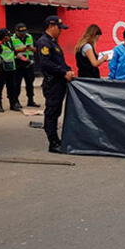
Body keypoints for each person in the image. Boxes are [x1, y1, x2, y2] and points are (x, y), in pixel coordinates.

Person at [36, 15, 74, 153]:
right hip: (53, 82)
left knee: (56, 111)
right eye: (59, 28)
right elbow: (46, 63)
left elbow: (59, 62)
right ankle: (53, 143)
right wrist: (63, 72)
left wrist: (68, 69)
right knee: (52, 112)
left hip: (59, 81)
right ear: (51, 26)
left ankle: (56, 140)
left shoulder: (53, 42)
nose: (61, 31)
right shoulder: (44, 42)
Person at [11, 23, 39, 107]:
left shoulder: (29, 37)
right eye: (21, 32)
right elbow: (11, 50)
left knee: (30, 83)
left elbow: (36, 49)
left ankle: (31, 101)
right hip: (18, 64)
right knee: (16, 84)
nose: (23, 33)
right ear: (16, 31)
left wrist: (31, 48)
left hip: (29, 63)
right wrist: (22, 49)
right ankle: (16, 101)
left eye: (24, 31)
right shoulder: (12, 39)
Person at [0, 28, 21, 113]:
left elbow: (14, 53)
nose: (9, 37)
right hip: (2, 69)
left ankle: (12, 104)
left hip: (11, 68)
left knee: (12, 87)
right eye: (7, 36)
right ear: (3, 36)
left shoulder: (10, 42)